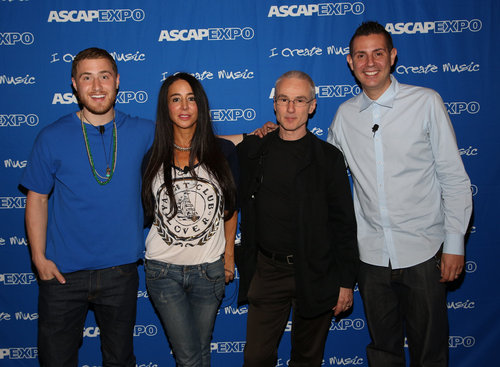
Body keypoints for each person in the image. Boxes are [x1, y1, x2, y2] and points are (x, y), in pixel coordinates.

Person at [327, 21, 473, 366]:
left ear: (392, 56)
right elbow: (326, 178)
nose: (370, 62)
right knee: (383, 352)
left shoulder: (425, 102)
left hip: (424, 252)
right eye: (361, 55)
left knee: (431, 352)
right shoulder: (344, 116)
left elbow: (453, 177)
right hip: (372, 258)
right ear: (350, 62)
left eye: (378, 53)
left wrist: (454, 243)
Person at [20, 48, 154, 366]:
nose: (97, 86)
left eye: (104, 76)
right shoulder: (51, 137)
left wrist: (250, 136)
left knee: (120, 359)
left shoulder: (144, 131)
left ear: (117, 81)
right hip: (62, 275)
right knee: (56, 360)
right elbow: (37, 198)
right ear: (74, 85)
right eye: (87, 77)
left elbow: (196, 141)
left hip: (120, 272)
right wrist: (39, 259)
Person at [236, 70, 359, 367]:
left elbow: (343, 224)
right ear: (275, 104)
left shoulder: (328, 158)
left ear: (313, 105)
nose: (291, 109)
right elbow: (204, 144)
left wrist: (345, 282)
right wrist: (250, 134)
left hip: (317, 270)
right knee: (256, 358)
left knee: (307, 359)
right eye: (284, 99)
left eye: (299, 100)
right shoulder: (255, 150)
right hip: (268, 270)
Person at [141, 72, 238, 367]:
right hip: (163, 271)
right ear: (166, 107)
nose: (184, 106)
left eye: (191, 98)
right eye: (175, 99)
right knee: (189, 357)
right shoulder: (152, 156)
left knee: (200, 351)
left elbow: (230, 209)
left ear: (201, 105)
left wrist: (229, 257)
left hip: (209, 271)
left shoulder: (224, 152)